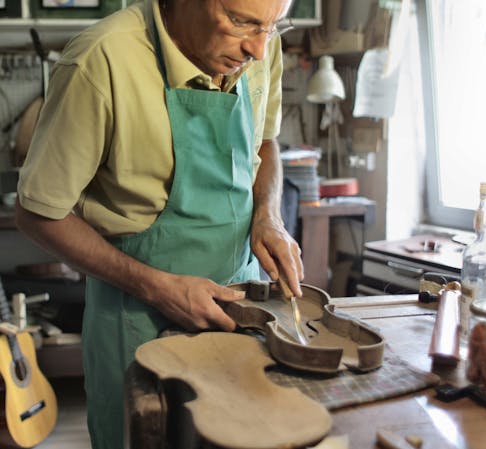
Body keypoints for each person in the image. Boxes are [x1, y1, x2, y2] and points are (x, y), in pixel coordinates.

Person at [15, 0, 302, 448]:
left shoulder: (260, 44)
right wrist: (156, 287)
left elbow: (265, 142)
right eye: (240, 22)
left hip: (241, 311)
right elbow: (37, 214)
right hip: (138, 319)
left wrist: (268, 215)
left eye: (272, 27)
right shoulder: (101, 60)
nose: (259, 50)